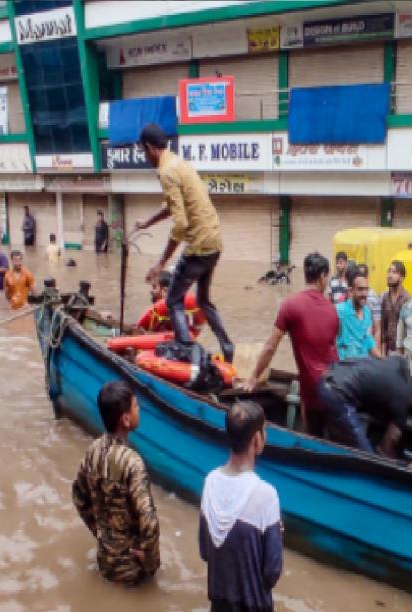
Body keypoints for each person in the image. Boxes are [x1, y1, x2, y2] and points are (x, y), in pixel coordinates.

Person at [135, 123, 234, 362]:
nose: (145, 157)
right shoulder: (178, 164)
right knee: (203, 300)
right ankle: (227, 346)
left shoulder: (166, 171)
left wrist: (160, 263)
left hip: (198, 245)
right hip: (214, 242)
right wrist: (147, 223)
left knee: (173, 300)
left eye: (144, 152)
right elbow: (172, 206)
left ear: (149, 148)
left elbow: (180, 225)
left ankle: (186, 351)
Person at [199, 401, 283, 612]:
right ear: (257, 440)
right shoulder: (266, 495)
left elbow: (205, 551)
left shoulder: (210, 482)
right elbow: (272, 573)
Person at [72, 381, 161, 585]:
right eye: (136, 406)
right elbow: (149, 523)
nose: (140, 410)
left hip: (104, 561)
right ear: (126, 419)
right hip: (132, 570)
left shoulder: (92, 451)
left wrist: (99, 532)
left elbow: (78, 496)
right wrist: (149, 561)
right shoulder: (133, 463)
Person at [242, 253, 338, 434]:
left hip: (312, 388)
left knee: (312, 434)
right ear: (323, 276)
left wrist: (254, 376)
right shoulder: (332, 309)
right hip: (336, 385)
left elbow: (271, 346)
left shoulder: (290, 305)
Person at [317, 354, 412, 458]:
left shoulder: (396, 365)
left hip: (327, 377)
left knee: (341, 442)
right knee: (367, 457)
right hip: (337, 392)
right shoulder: (403, 402)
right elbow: (385, 448)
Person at [335, 267, 377, 360]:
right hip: (345, 369)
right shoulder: (340, 311)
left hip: (363, 369)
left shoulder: (367, 312)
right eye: (360, 289)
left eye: (366, 289)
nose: (364, 293)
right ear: (351, 291)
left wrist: (383, 360)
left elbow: (369, 340)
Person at [379, 261, 410, 357]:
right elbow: (383, 328)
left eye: (394, 272)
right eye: (389, 271)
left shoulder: (407, 299)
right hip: (388, 351)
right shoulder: (384, 298)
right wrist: (383, 354)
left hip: (403, 352)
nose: (389, 275)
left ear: (402, 277)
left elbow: (409, 329)